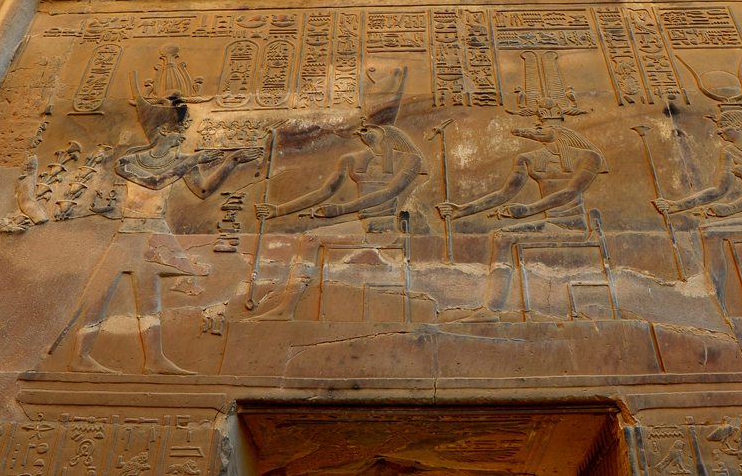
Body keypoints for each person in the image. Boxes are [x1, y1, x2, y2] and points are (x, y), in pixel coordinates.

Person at [69, 76, 261, 374]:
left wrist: (231, 162)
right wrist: (192, 161)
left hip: (155, 233)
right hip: (129, 233)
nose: (183, 138)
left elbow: (203, 191)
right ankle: (80, 357)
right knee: (100, 291)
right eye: (179, 133)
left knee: (149, 296)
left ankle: (154, 360)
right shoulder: (130, 160)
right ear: (163, 131)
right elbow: (155, 182)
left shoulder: (183, 160)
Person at [437, 98, 606, 321]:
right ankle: (491, 311)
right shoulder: (527, 159)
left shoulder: (590, 157)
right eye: (536, 124)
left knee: (505, 237)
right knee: (502, 236)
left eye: (542, 125)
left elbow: (571, 192)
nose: (536, 127)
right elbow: (504, 194)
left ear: (558, 128)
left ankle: (492, 310)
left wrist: (528, 209)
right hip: (550, 223)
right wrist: (462, 210)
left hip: (574, 226)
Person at [251, 119, 426, 320]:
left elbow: (389, 192)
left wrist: (341, 209)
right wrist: (278, 210)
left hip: (385, 227)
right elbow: (325, 191)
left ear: (383, 132)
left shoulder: (411, 160)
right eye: (360, 130)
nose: (360, 133)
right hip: (363, 224)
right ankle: (286, 309)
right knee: (310, 239)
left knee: (311, 240)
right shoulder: (350, 159)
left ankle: (286, 309)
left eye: (366, 129)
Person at [652, 107, 742, 305]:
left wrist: (730, 208)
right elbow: (719, 189)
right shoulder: (729, 152)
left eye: (724, 126)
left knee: (712, 234)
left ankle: (714, 300)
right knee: (707, 230)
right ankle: (713, 295)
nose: (719, 131)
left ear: (738, 126)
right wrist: (677, 205)